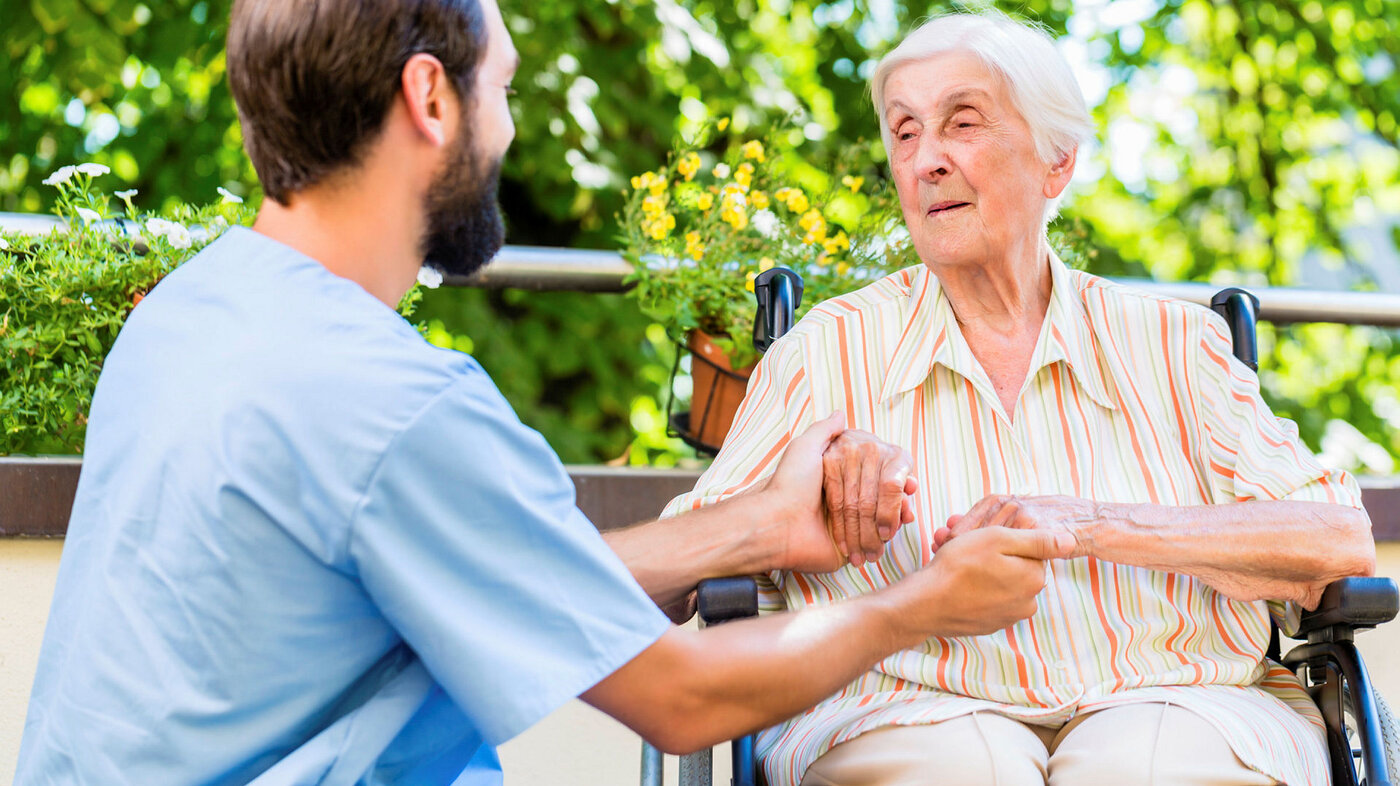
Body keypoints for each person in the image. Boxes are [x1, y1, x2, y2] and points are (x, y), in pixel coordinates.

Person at [12, 1, 1088, 783]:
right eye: (505, 88)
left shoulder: (193, 313)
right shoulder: (398, 407)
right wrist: (919, 609)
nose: (511, 128)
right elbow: (678, 697)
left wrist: (750, 526)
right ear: (430, 97)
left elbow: (497, 578)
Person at [665, 11, 1377, 786]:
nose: (925, 160)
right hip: (908, 708)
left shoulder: (1175, 346)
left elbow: (1338, 543)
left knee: (1143, 769)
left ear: (1056, 161)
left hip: (1177, 699)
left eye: (961, 123)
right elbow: (676, 577)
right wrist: (789, 504)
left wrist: (1091, 523)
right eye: (904, 133)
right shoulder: (826, 356)